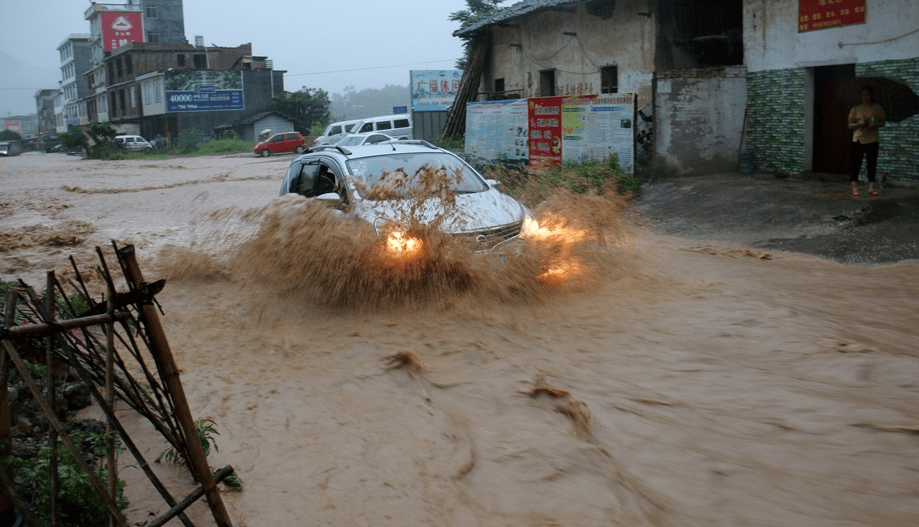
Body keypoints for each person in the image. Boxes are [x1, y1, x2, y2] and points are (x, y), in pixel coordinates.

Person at [847, 84, 886, 197]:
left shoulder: (877, 108)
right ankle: (854, 186)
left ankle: (871, 187)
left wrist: (875, 124)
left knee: (871, 164)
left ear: (871, 95)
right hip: (858, 140)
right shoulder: (856, 109)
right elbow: (850, 125)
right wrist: (860, 124)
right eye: (863, 94)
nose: (865, 96)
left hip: (873, 140)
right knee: (856, 164)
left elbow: (882, 122)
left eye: (867, 94)